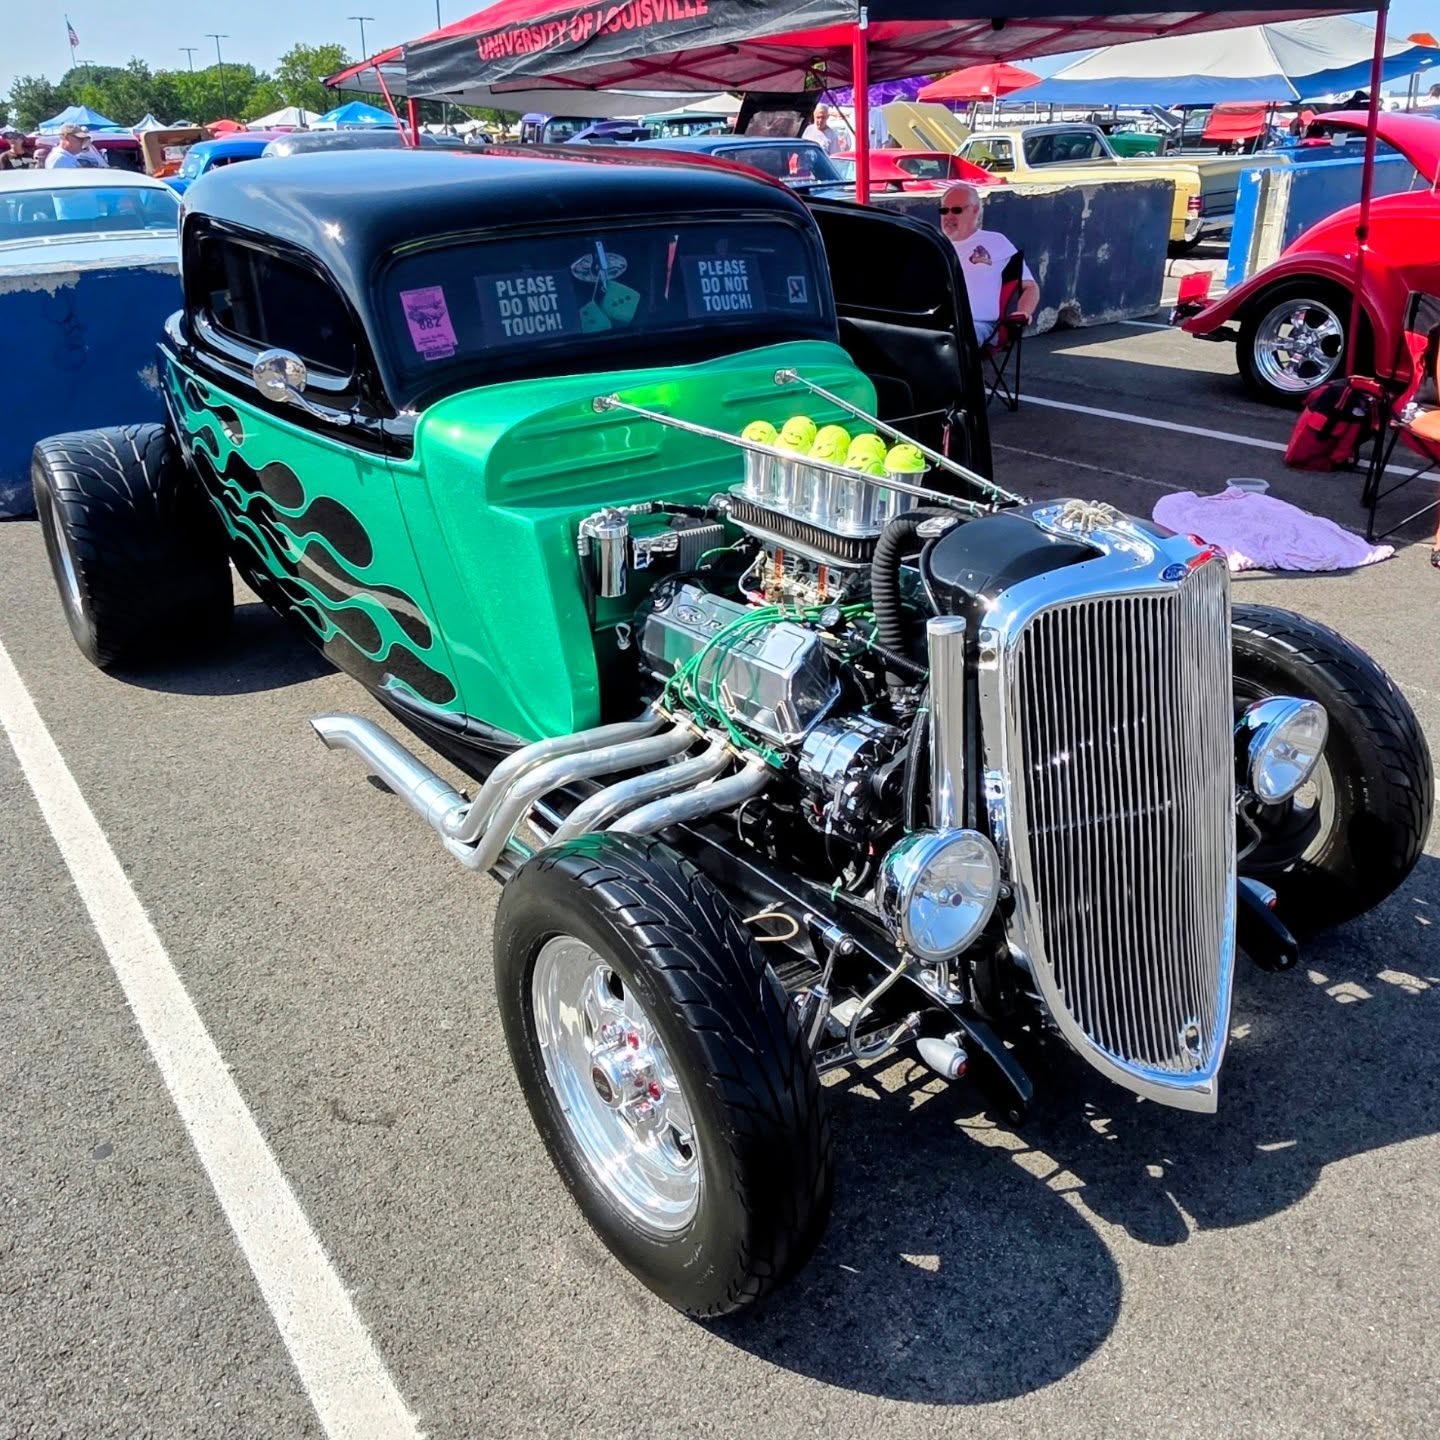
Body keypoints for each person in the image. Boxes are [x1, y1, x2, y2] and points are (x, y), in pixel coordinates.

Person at [939, 181, 1040, 344]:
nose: (949, 216)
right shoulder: (934, 244)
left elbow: (1030, 286)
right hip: (934, 320)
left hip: (977, 324)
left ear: (975, 211)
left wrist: (1024, 312)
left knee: (950, 342)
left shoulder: (996, 242)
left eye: (957, 210)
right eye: (944, 210)